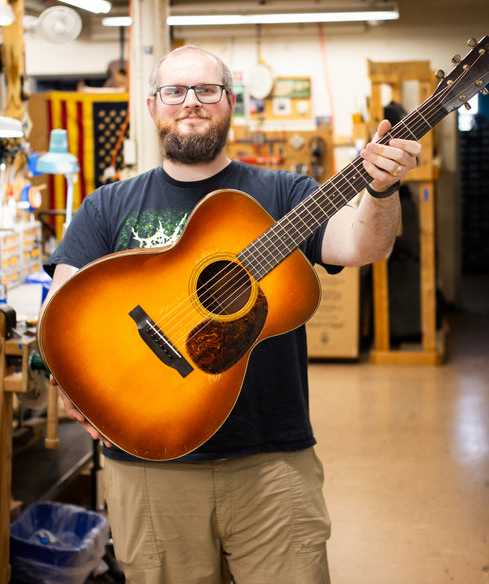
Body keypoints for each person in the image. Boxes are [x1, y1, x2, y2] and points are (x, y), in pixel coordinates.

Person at [39, 45, 421, 583]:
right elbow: (63, 309)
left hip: (272, 459)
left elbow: (363, 246)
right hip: (150, 462)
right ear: (152, 106)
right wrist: (68, 378)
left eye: (206, 90)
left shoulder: (284, 193)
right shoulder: (107, 205)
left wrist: (381, 189)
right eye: (175, 91)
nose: (190, 103)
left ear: (229, 103)